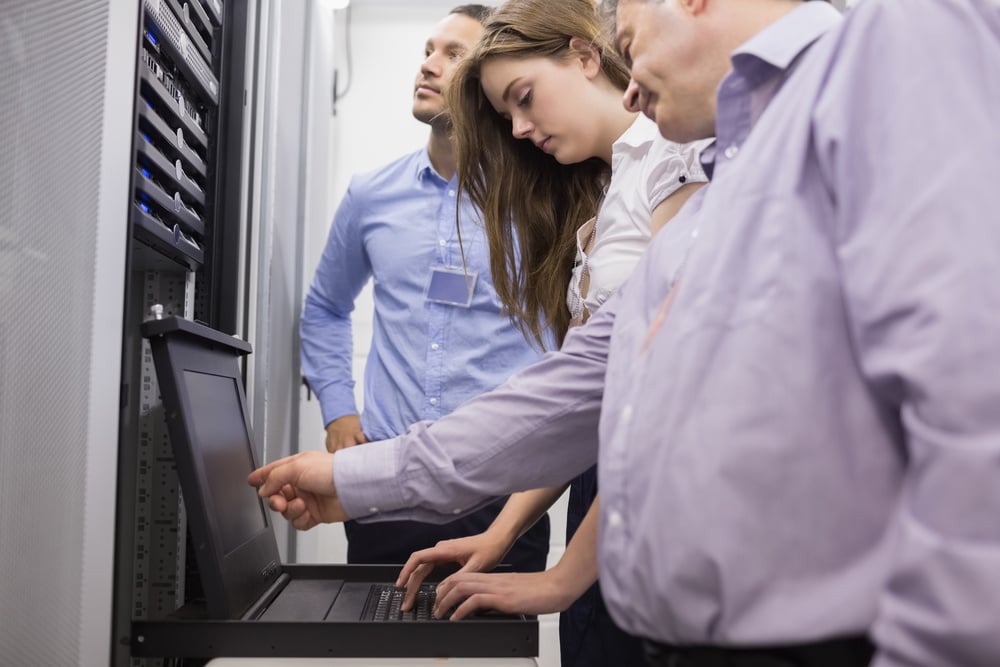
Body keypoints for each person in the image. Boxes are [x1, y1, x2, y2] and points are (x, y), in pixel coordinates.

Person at [256, 1, 1000, 665]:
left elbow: (974, 417)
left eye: (630, 40)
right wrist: (354, 480)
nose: (631, 85)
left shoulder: (897, 47)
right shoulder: (720, 186)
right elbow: (572, 396)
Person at [389, 2, 708, 665]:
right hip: (603, 499)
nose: (522, 127)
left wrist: (562, 577)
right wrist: (501, 535)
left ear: (586, 56)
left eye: (525, 98)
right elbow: (581, 404)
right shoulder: (604, 190)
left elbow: (658, 399)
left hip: (655, 512)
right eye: (509, 116)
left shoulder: (673, 158)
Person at [299, 4, 550, 572]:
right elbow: (325, 308)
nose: (429, 66)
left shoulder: (536, 203)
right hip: (385, 491)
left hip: (499, 494)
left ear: (489, 84)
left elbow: (571, 341)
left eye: (453, 55)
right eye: (427, 51)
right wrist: (339, 411)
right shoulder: (371, 195)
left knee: (489, 663)